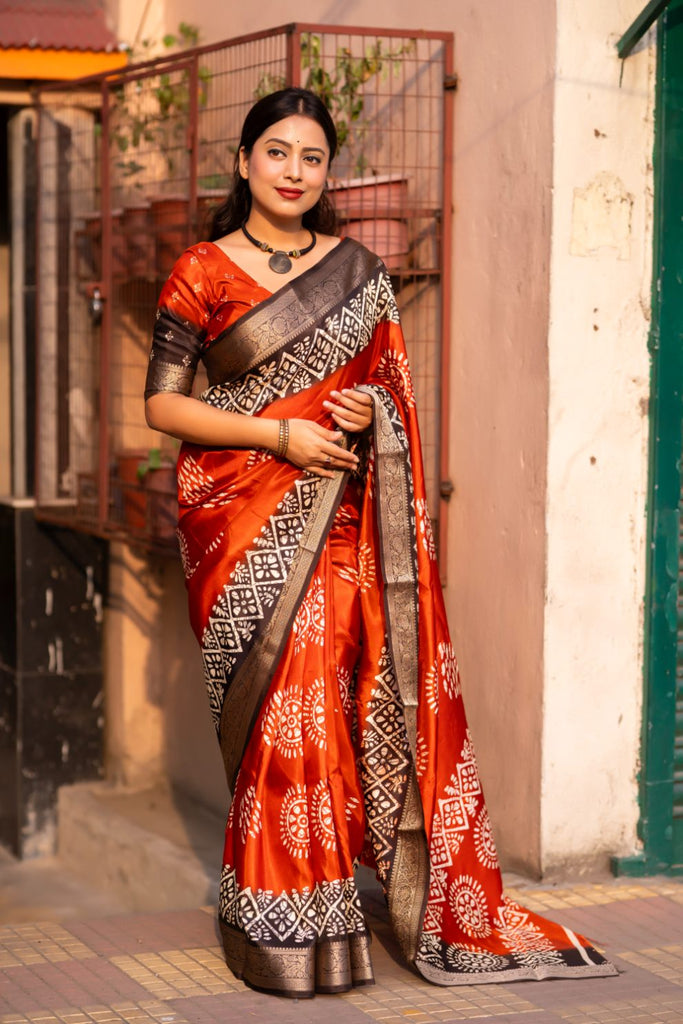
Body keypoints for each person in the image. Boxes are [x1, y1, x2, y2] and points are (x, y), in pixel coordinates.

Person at [144, 87, 616, 999]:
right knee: (275, 722)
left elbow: (389, 397)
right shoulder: (200, 270)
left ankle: (323, 914)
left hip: (343, 523)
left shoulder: (359, 273)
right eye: (275, 152)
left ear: (328, 175)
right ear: (243, 163)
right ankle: (275, 918)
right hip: (240, 525)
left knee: (318, 707)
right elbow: (163, 404)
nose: (292, 171)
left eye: (311, 158)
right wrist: (277, 437)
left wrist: (375, 416)